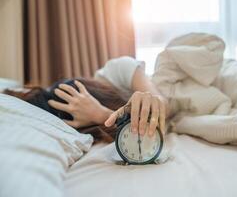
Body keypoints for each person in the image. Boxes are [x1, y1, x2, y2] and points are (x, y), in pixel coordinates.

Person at [5, 57, 169, 142]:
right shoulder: (86, 130)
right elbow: (149, 134)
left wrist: (100, 113)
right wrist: (101, 116)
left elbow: (162, 109)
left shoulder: (118, 69)